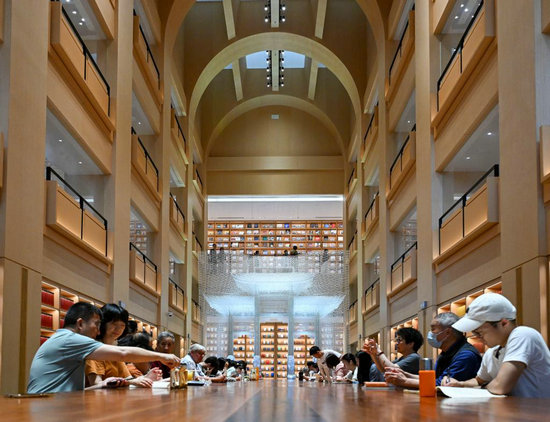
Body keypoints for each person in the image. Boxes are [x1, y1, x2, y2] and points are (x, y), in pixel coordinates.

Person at [27, 302, 181, 393]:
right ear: (80, 324)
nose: (98, 330)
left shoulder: (64, 339)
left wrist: (107, 384)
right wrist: (161, 356)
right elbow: (123, 353)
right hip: (49, 407)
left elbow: (82, 391)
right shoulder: (70, 339)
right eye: (96, 324)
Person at [444, 293, 550, 397]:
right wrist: (460, 384)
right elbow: (478, 381)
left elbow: (501, 387)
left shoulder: (523, 334)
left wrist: (482, 387)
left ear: (504, 323)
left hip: (537, 407)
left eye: (479, 332)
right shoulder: (491, 352)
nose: (478, 338)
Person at [383, 313, 481, 388]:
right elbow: (434, 378)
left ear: (447, 332)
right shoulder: (446, 352)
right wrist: (405, 375)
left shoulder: (466, 355)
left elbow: (442, 385)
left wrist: (405, 381)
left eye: (433, 329)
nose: (430, 333)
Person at [85, 304, 162, 388]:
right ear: (103, 323)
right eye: (114, 324)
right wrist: (133, 381)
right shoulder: (96, 351)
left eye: (122, 325)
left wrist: (146, 377)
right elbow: (96, 384)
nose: (118, 329)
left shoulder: (115, 350)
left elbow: (128, 378)